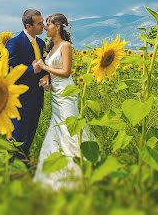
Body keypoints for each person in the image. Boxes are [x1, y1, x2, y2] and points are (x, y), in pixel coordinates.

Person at [33, 13, 93, 190]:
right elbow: (54, 71)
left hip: (67, 92)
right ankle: (58, 173)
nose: (45, 27)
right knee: (58, 127)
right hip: (56, 93)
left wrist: (44, 67)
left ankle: (77, 172)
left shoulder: (65, 46)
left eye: (49, 24)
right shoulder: (51, 47)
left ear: (58, 27)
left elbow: (66, 72)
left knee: (69, 127)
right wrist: (47, 81)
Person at [5, 9, 49, 165]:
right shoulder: (14, 43)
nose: (43, 26)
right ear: (28, 26)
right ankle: (12, 172)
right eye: (39, 23)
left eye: (43, 22)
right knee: (16, 138)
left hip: (37, 99)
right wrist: (32, 70)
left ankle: (23, 169)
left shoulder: (41, 43)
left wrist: (45, 76)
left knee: (29, 137)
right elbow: (10, 70)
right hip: (20, 100)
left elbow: (44, 66)